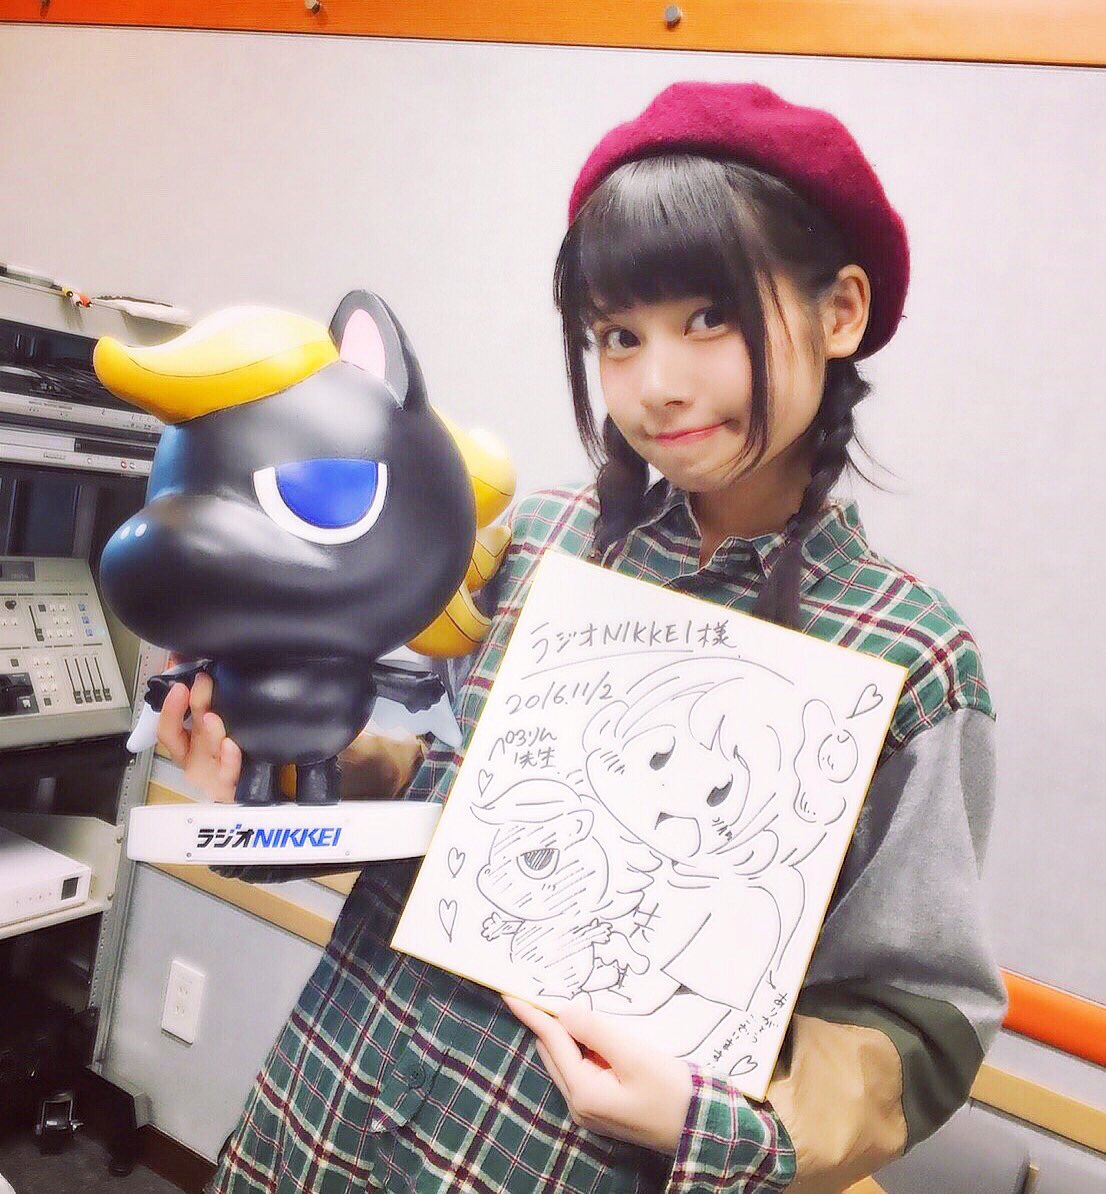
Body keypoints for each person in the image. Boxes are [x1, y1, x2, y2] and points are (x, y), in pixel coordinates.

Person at [164, 81, 1006, 1193]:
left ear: (839, 311)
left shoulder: (910, 656)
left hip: (565, 1162)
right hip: (326, 1112)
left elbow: (918, 1016)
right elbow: (452, 800)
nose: (656, 386)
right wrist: (280, 765)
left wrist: (711, 1122)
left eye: (709, 319)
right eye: (617, 336)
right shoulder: (541, 540)